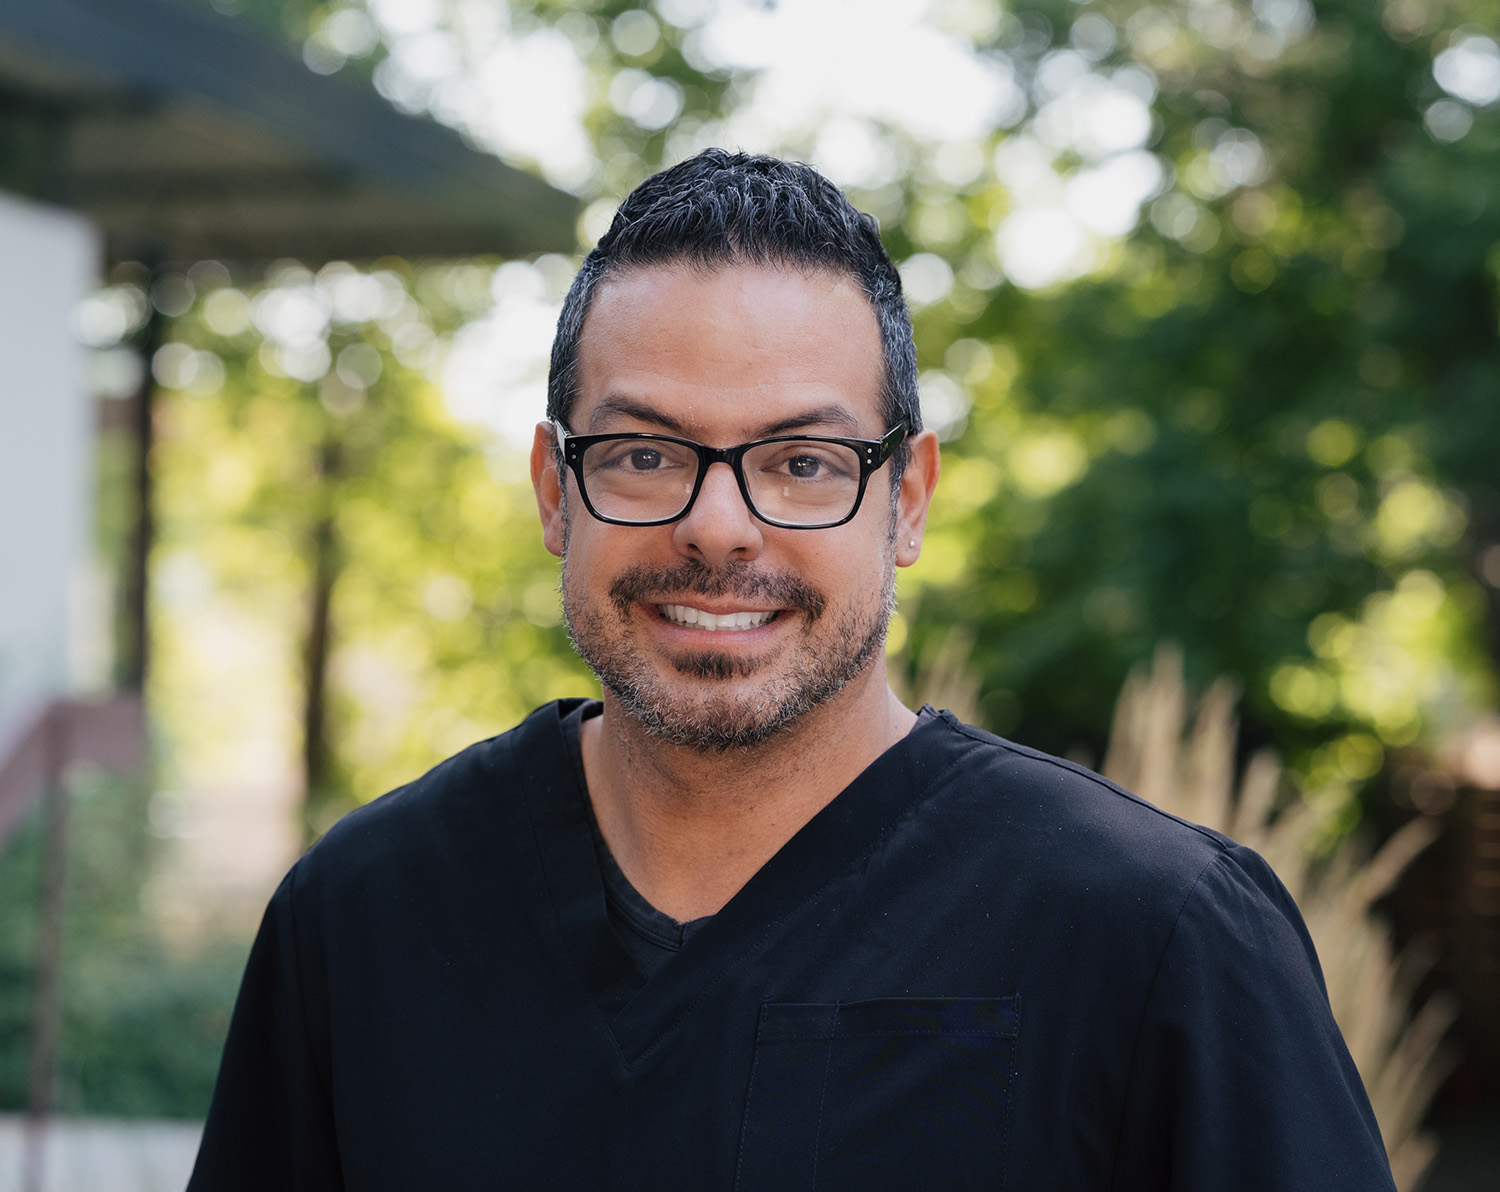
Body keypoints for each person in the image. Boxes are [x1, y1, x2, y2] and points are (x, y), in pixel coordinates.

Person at [188, 150, 1396, 1191]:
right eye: (648, 453)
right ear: (556, 491)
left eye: (805, 461)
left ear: (907, 497)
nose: (720, 530)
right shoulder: (363, 923)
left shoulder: (1154, 938)